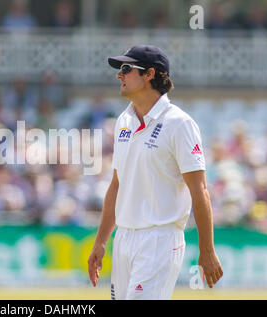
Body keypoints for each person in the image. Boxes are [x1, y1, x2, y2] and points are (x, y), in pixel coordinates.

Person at [87, 45, 223, 300]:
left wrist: (207, 250)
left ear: (150, 74)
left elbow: (199, 190)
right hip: (124, 238)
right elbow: (117, 185)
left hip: (160, 239)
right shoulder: (123, 121)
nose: (120, 75)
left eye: (126, 69)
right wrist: (101, 241)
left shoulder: (179, 123)